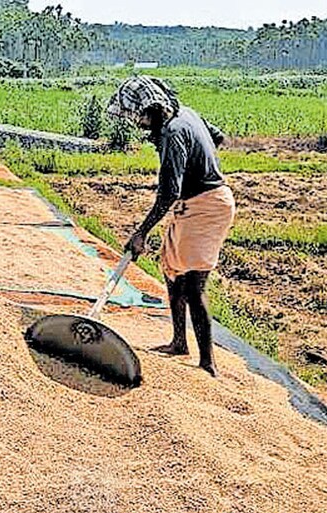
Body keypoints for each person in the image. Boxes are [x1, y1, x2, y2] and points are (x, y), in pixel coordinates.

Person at [106, 76, 235, 377]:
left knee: (193, 286)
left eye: (137, 116)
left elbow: (168, 193)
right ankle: (179, 342)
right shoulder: (184, 114)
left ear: (151, 109)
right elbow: (218, 138)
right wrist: (200, 161)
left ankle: (208, 363)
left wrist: (141, 233)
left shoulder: (173, 133)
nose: (136, 123)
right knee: (171, 270)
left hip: (207, 208)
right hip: (191, 206)